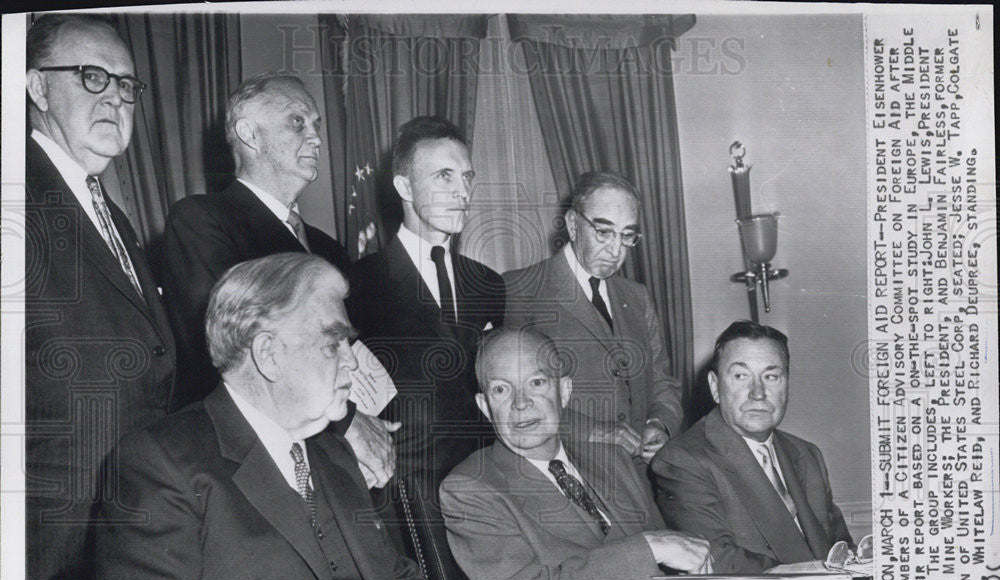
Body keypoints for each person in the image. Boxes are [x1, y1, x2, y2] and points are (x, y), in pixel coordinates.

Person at [96, 253, 442, 580]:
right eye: (333, 344)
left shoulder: (332, 452)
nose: (353, 365)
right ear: (269, 354)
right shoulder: (159, 463)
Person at [24, 14, 176, 580]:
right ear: (35, 86)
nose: (116, 97)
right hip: (41, 557)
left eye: (128, 85)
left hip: (117, 548)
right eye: (92, 77)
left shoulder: (112, 216)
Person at [157, 71, 394, 487]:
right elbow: (230, 351)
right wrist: (349, 423)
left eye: (317, 126)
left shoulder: (328, 249)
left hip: (342, 463)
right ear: (249, 133)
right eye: (298, 122)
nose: (317, 138)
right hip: (252, 464)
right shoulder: (203, 220)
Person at [440, 327, 711, 580]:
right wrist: (652, 547)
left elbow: (675, 575)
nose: (521, 403)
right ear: (485, 406)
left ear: (564, 391)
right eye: (501, 389)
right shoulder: (470, 489)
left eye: (537, 382)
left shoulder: (612, 458)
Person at [348, 116, 505, 487]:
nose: (462, 192)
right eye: (444, 176)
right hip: (406, 493)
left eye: (467, 177)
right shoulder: (357, 285)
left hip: (489, 487)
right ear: (404, 186)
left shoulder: (489, 284)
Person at [504, 172, 683, 464]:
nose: (616, 251)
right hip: (571, 466)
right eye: (604, 232)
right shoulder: (522, 289)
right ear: (573, 225)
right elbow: (516, 399)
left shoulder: (637, 296)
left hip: (640, 473)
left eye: (627, 236)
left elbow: (663, 382)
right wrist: (593, 431)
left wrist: (659, 424)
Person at [652, 321, 854, 574]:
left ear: (787, 385)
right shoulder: (682, 460)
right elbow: (717, 560)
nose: (758, 393)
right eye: (741, 376)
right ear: (715, 387)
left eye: (771, 377)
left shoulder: (806, 454)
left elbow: (842, 550)